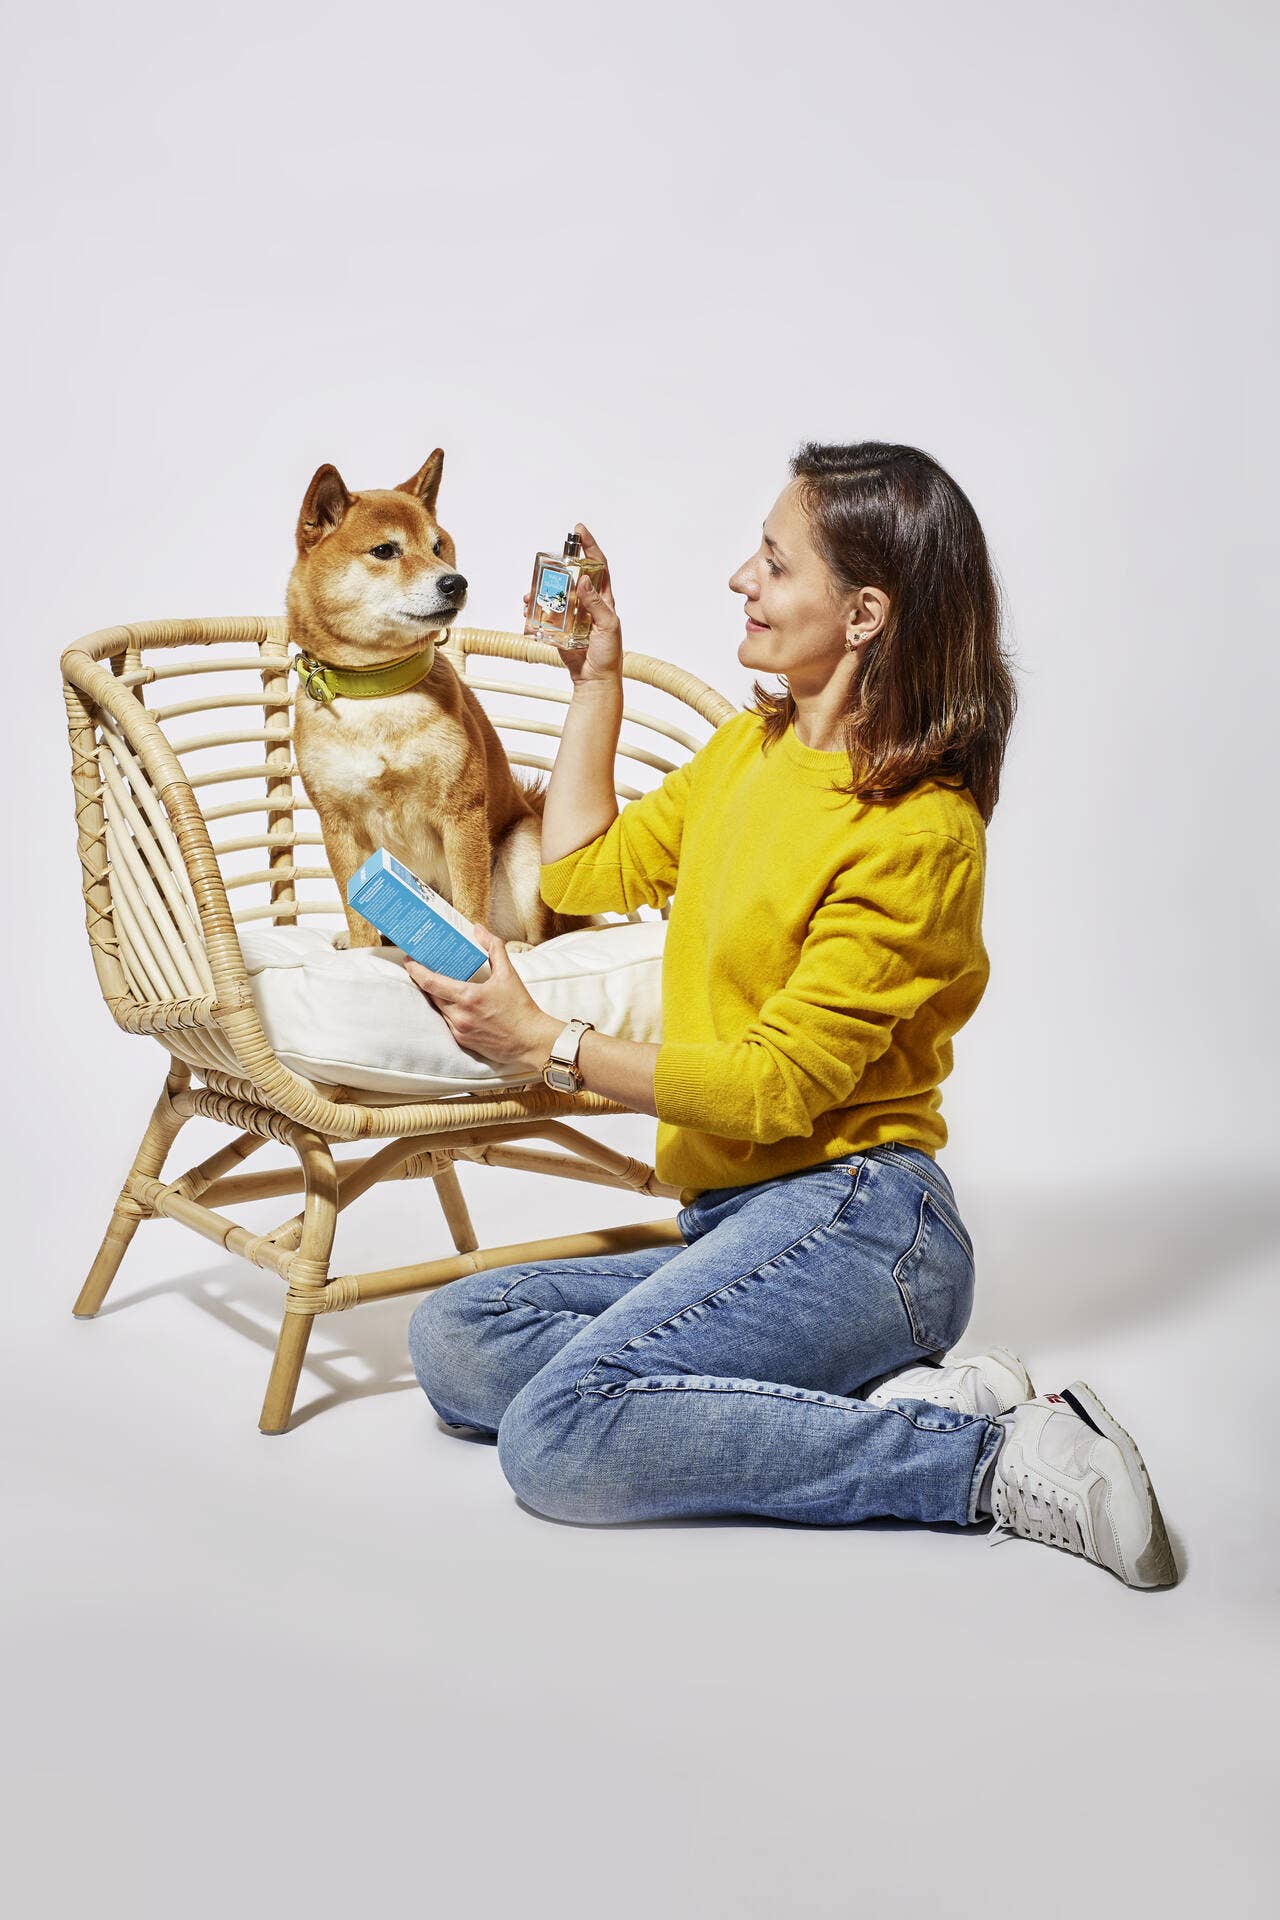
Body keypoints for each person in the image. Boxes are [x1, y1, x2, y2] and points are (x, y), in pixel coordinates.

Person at [402, 441, 1178, 1591]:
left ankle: (990, 1456)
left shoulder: (919, 831)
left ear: (862, 613)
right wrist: (594, 678)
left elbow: (777, 1088)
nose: (738, 580)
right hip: (735, 1222)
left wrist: (548, 1048)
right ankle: (896, 1391)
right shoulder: (746, 752)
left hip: (865, 1225)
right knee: (457, 1340)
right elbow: (576, 874)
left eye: (772, 562)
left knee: (559, 1438)